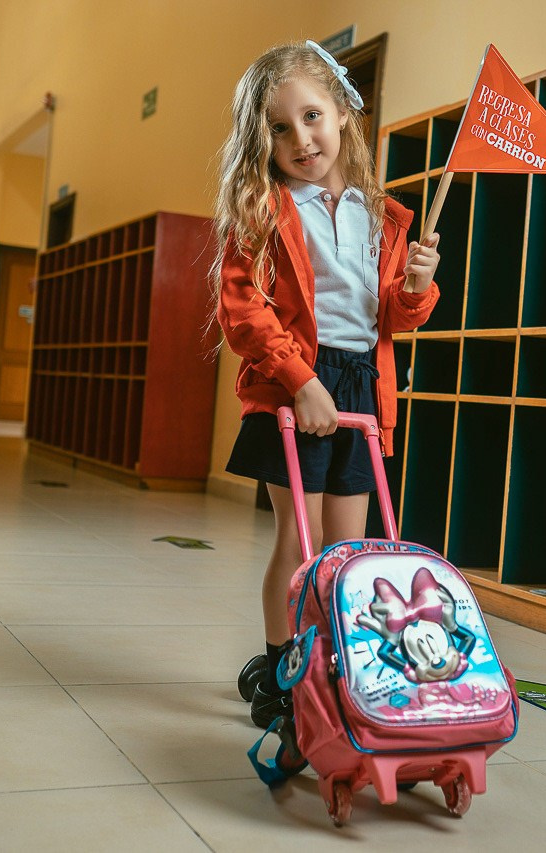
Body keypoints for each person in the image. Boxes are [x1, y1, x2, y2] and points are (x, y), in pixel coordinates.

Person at [212, 40, 441, 731]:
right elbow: (242, 311)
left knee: (351, 551)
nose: (300, 138)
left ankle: (340, 661)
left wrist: (420, 287)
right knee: (301, 541)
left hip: (361, 383)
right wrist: (301, 381)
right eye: (279, 128)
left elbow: (392, 318)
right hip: (295, 381)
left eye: (311, 116)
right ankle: (284, 663)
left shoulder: (386, 216)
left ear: (342, 113)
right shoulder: (266, 208)